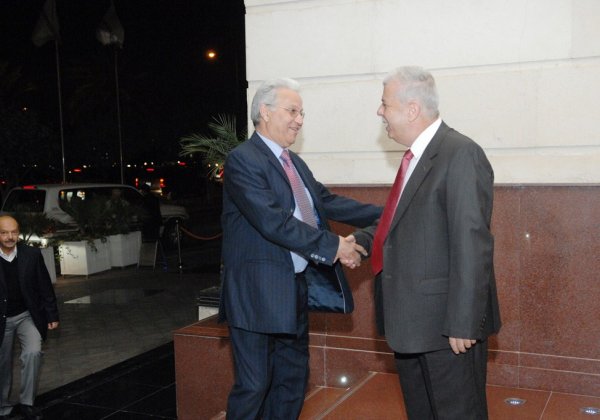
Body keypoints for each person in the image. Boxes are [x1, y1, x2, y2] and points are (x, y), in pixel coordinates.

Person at [219, 78, 382, 419]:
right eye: (292, 111)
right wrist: (335, 246)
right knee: (254, 385)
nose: (299, 120)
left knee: (292, 381)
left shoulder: (292, 162)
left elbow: (325, 202)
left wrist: (389, 212)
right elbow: (273, 221)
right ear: (265, 112)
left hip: (293, 288)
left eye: (301, 113)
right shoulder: (243, 160)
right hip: (256, 293)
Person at [353, 66, 501, 420]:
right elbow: (402, 223)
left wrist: (464, 322)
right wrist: (362, 240)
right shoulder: (416, 157)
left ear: (412, 109)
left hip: (447, 329)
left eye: (385, 104)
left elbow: (472, 244)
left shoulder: (460, 153)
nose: (379, 111)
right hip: (410, 325)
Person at [0, 215, 59, 420]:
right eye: (4, 233)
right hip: (2, 319)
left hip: (27, 315)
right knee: (2, 364)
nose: (10, 237)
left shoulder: (31, 254)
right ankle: (2, 406)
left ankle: (27, 403)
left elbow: (45, 286)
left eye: (14, 232)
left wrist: (51, 314)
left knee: (33, 353)